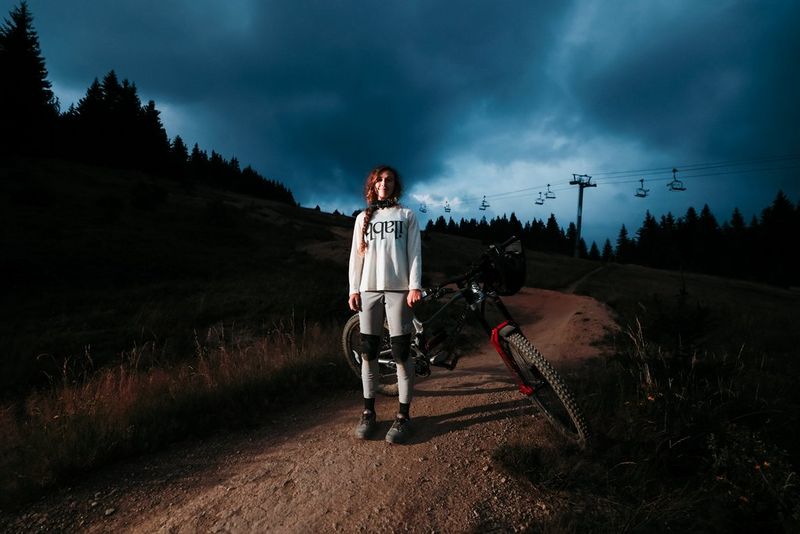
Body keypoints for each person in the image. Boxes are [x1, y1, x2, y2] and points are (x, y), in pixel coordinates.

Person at [348, 165, 422, 444]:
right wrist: (354, 289)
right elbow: (356, 259)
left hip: (399, 290)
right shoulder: (361, 219)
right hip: (368, 290)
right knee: (368, 351)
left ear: (396, 185)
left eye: (389, 180)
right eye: (379, 179)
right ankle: (368, 412)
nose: (384, 183)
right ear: (372, 185)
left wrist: (415, 285)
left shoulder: (407, 215)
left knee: (402, 353)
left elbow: (415, 252)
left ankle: (403, 417)